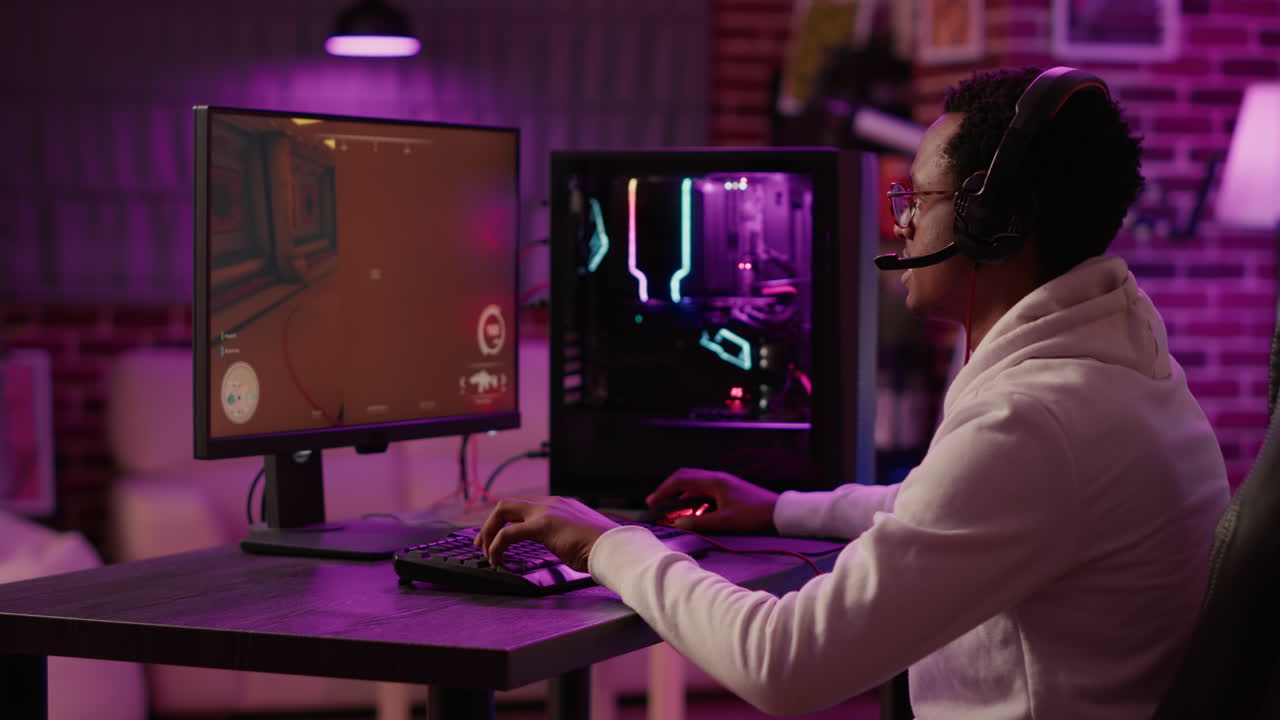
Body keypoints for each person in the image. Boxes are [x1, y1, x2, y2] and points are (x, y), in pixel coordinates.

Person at [475, 67, 1230, 718]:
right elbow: (947, 505)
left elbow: (783, 663)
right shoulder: (1113, 367)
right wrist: (778, 508)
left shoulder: (1034, 419)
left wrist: (607, 545)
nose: (900, 222)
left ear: (994, 221)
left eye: (918, 197)